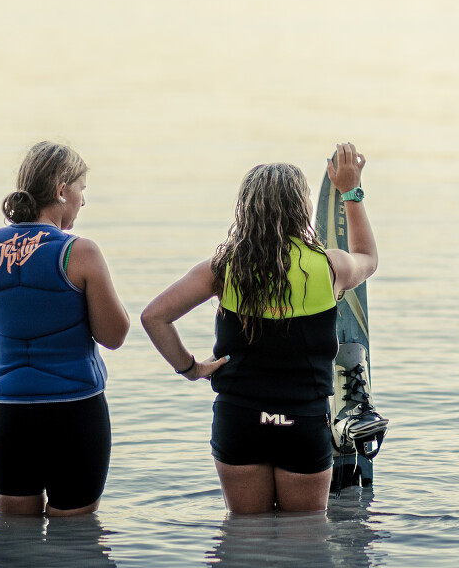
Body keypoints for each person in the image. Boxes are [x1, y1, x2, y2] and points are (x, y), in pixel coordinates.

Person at [141, 143, 382, 513]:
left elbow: (154, 317)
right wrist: (351, 192)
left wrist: (191, 368)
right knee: (304, 540)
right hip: (302, 423)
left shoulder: (221, 269)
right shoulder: (330, 267)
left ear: (246, 208)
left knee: (243, 537)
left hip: (239, 421)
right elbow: (367, 257)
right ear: (303, 208)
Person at [0, 141, 130, 516]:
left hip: (9, 417)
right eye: (80, 190)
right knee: (75, 542)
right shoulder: (81, 252)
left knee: (13, 543)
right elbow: (114, 335)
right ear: (61, 190)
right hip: (74, 413)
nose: (83, 201)